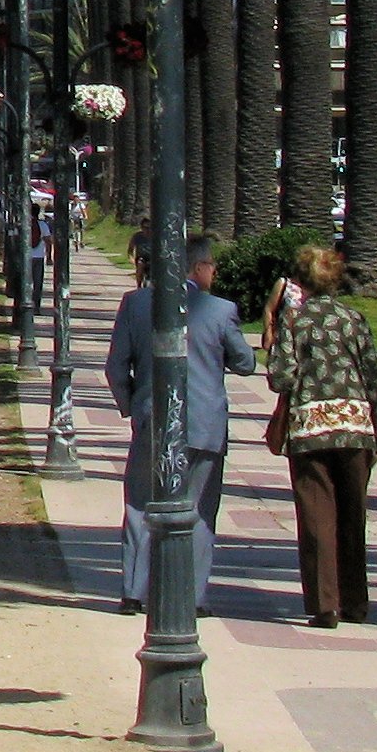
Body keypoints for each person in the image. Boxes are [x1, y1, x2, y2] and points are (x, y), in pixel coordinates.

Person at [107, 230, 259, 619]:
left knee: (141, 502)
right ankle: (191, 595)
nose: (215, 272)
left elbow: (115, 366)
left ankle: (133, 591)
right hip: (204, 424)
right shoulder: (221, 310)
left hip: (153, 419)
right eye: (212, 265)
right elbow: (245, 362)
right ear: (197, 267)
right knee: (199, 507)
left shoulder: (136, 304)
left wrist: (132, 408)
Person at [261, 241, 377, 626]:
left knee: (316, 515)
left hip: (311, 428)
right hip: (355, 425)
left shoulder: (294, 321)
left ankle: (324, 604)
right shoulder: (354, 319)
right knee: (353, 516)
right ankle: (356, 601)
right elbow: (373, 378)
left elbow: (280, 376)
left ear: (300, 280)